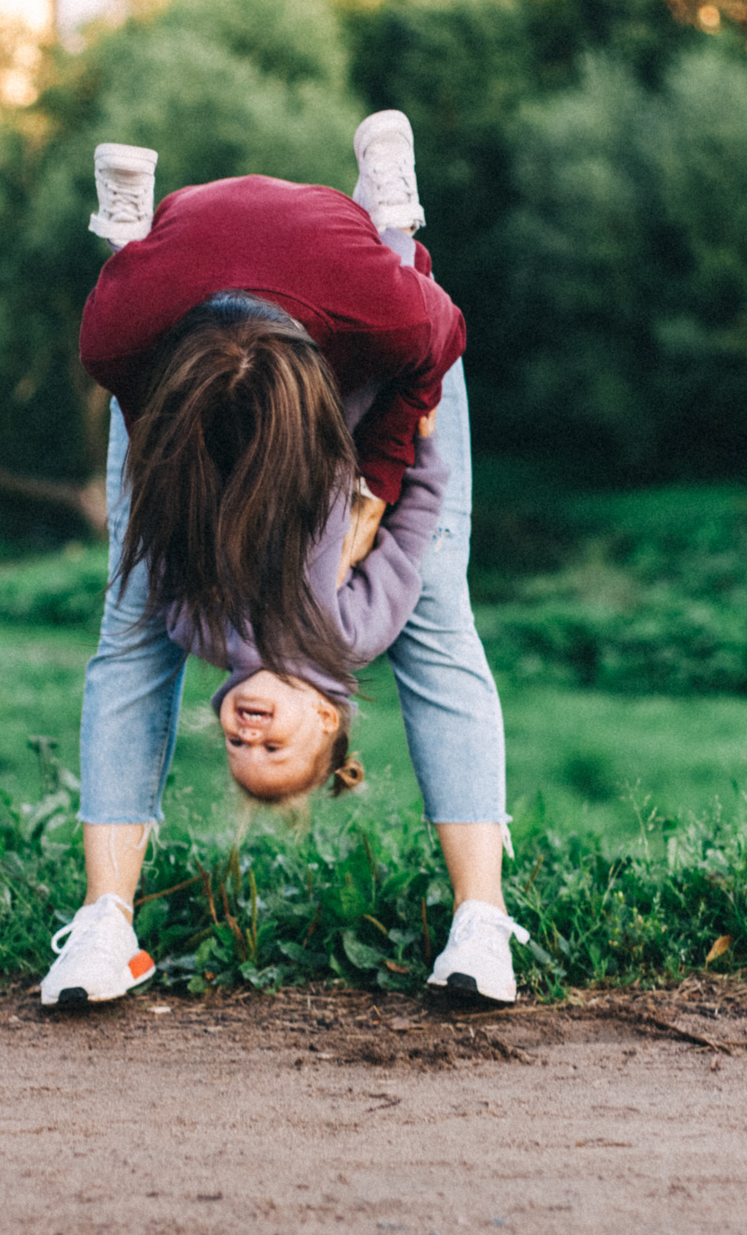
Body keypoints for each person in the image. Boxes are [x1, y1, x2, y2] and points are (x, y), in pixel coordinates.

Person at [40, 113, 525, 1008]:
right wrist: (381, 494)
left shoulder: (116, 343)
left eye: (237, 742)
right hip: (294, 343)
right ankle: (107, 920)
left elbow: (435, 339)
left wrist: (369, 479)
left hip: (257, 332)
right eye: (275, 741)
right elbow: (434, 362)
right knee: (428, 601)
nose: (248, 728)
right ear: (331, 712)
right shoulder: (353, 625)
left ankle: (130, 239)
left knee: (142, 609)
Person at [170, 422, 448, 805]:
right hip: (346, 429)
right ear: (325, 717)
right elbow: (409, 536)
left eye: (234, 743)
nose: (249, 737)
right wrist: (425, 447)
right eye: (272, 748)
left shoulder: (211, 635)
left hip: (254, 421)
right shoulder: (349, 639)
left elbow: (168, 566)